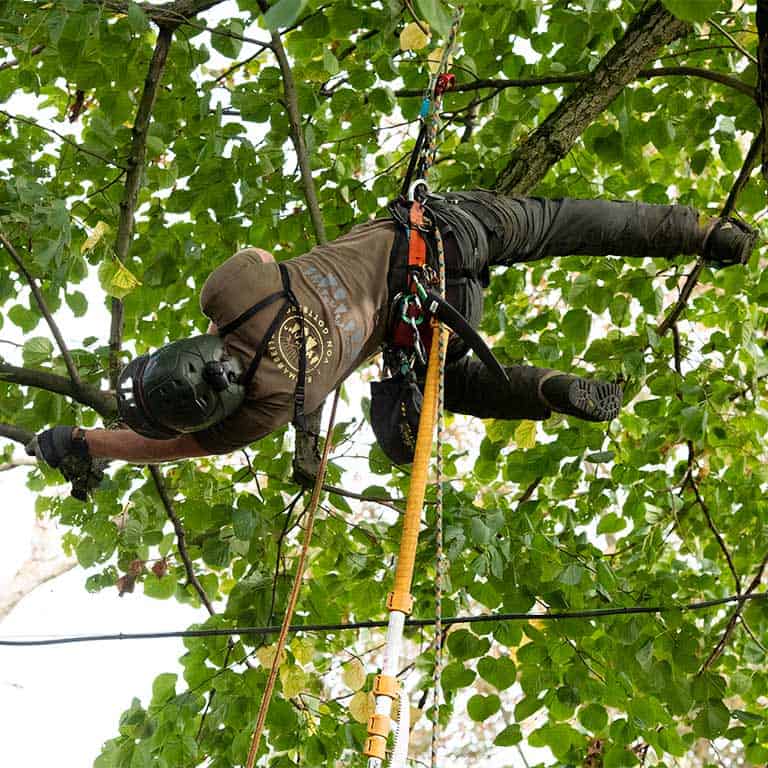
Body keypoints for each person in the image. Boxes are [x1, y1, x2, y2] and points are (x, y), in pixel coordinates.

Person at [27, 191, 756, 486]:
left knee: (456, 388)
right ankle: (696, 232)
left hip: (435, 313)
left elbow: (172, 445)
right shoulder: (234, 292)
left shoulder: (270, 408)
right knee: (561, 223)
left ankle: (549, 389)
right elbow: (255, 259)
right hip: (441, 233)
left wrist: (86, 444)